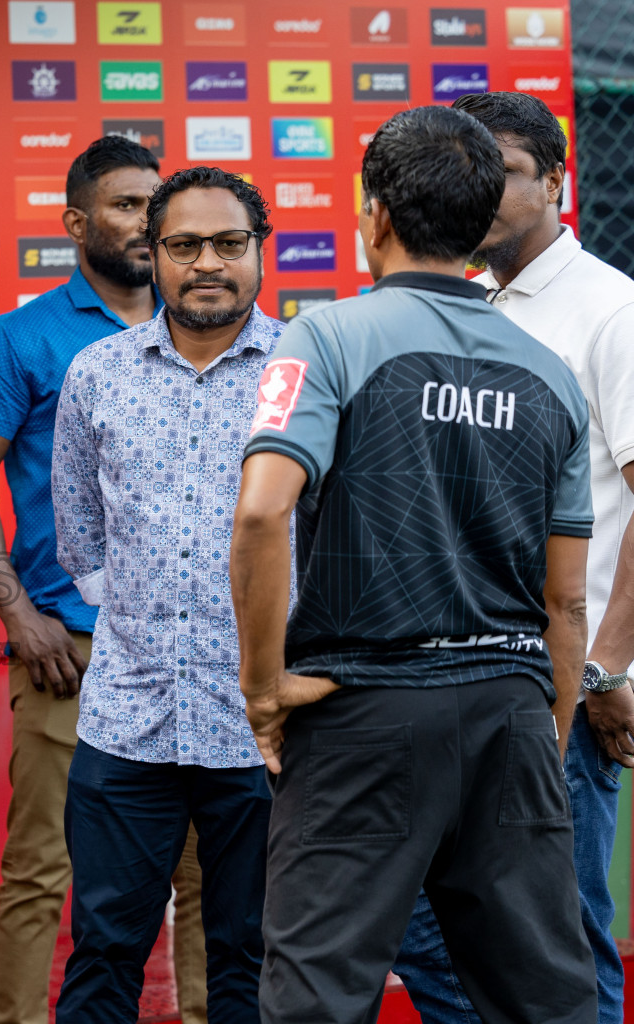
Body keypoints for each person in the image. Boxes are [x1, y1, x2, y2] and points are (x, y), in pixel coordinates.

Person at [234, 104, 598, 1022]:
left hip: (362, 710)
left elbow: (262, 512)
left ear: (376, 216)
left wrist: (262, 687)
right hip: (511, 710)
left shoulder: (325, 336)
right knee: (545, 1000)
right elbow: (565, 601)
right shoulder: (550, 371)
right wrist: (546, 731)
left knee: (318, 994)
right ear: (478, 225)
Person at [0, 136, 206, 1024]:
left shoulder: (215, 326)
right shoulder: (22, 338)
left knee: (209, 874)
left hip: (204, 650)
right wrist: (19, 617)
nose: (145, 221)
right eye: (126, 205)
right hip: (74, 654)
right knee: (44, 869)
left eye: (154, 205)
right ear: (76, 223)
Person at [392, 88, 634, 1024]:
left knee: (561, 930)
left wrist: (607, 665)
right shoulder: (464, 303)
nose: (481, 192)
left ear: (558, 182)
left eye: (505, 174)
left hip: (560, 685)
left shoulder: (609, 310)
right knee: (425, 921)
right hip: (445, 674)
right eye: (465, 174)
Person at [51, 166, 284, 1023]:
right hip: (127, 720)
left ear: (262, 251)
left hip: (262, 725)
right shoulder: (98, 373)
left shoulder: (303, 374)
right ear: (153, 255)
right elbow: (77, 525)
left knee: (253, 959)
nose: (207, 263)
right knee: (106, 950)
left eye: (229, 244)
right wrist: (151, 617)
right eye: (183, 246)